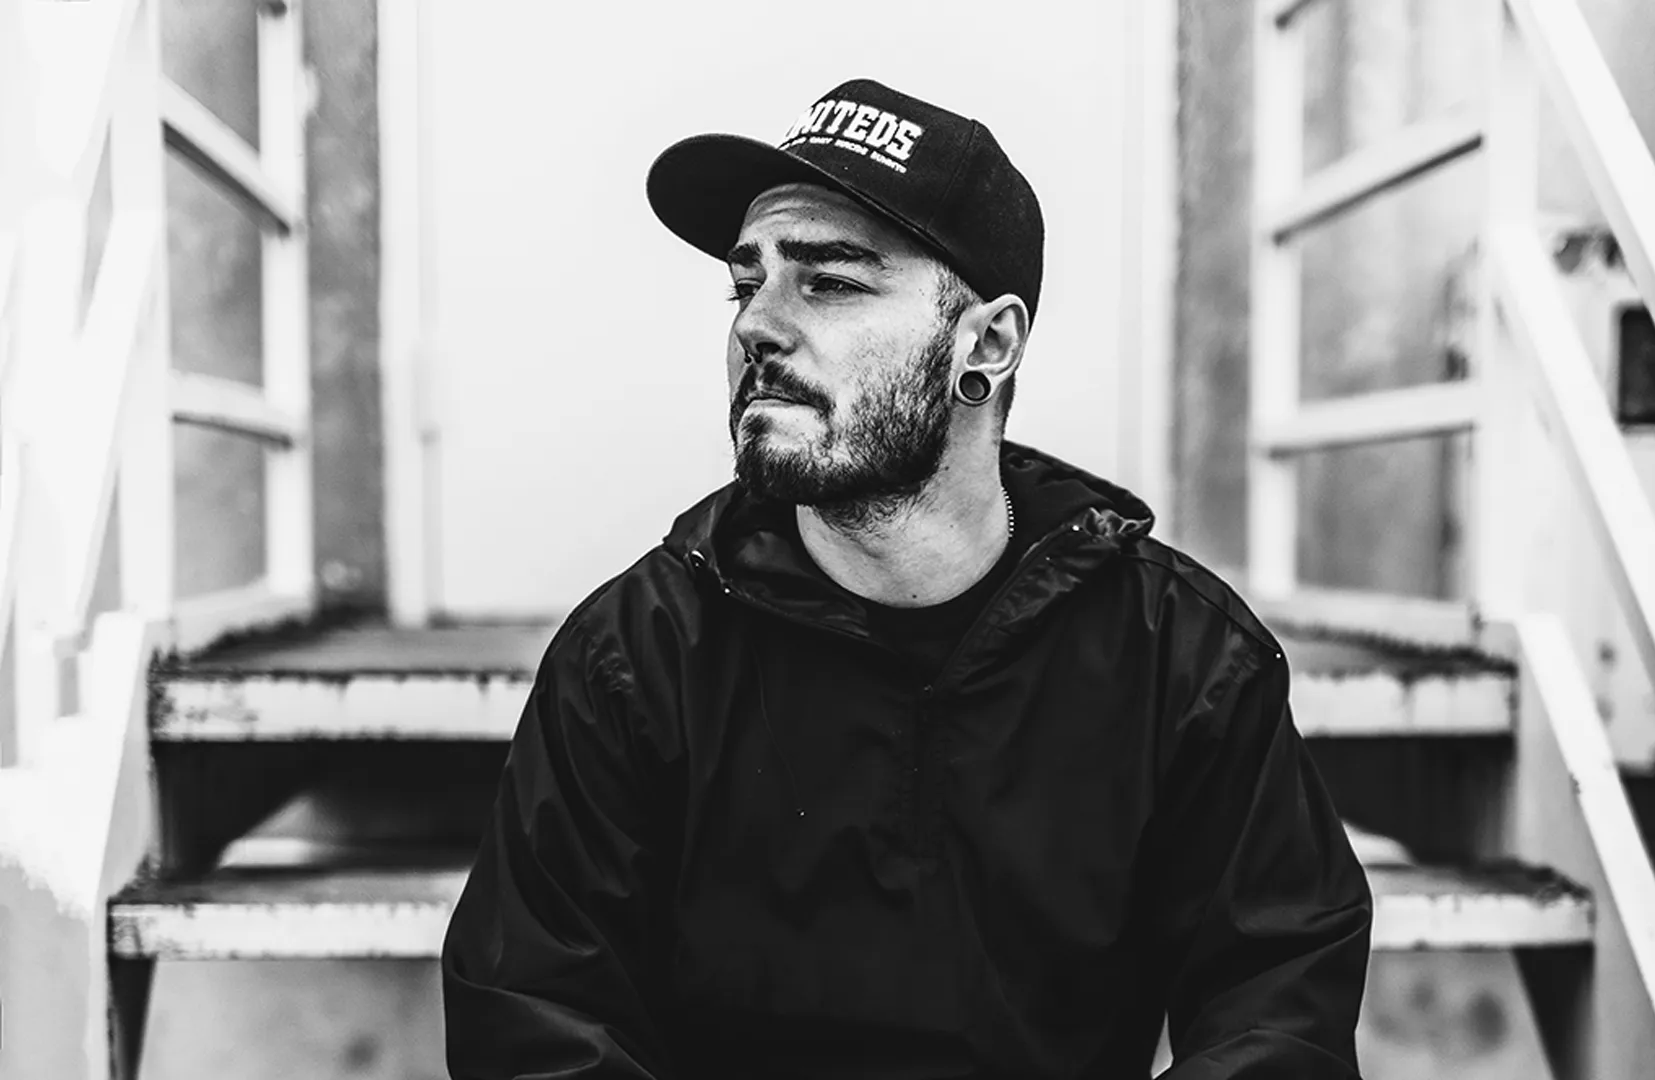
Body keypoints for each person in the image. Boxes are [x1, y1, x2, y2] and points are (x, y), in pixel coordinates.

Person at [441, 77, 1372, 1079]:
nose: (758, 324)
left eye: (830, 280)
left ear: (988, 342)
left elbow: (1278, 1015)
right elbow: (531, 1021)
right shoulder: (638, 656)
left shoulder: (1180, 660)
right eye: (745, 281)